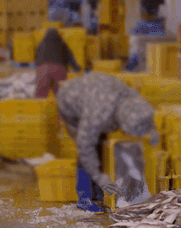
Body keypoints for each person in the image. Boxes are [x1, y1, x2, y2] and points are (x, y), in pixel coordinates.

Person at [56, 72, 160, 212]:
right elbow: (84, 146)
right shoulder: (98, 114)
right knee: (90, 146)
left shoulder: (133, 98)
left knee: (101, 141)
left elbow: (144, 115)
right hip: (69, 100)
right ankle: (85, 198)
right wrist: (99, 177)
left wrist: (151, 130)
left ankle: (99, 192)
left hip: (95, 89)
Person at [33, 28, 82, 99]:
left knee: (39, 96)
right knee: (61, 95)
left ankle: (38, 109)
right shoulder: (62, 44)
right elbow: (70, 58)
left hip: (42, 69)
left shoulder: (41, 44)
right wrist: (77, 69)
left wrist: (39, 70)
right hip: (58, 69)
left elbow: (36, 58)